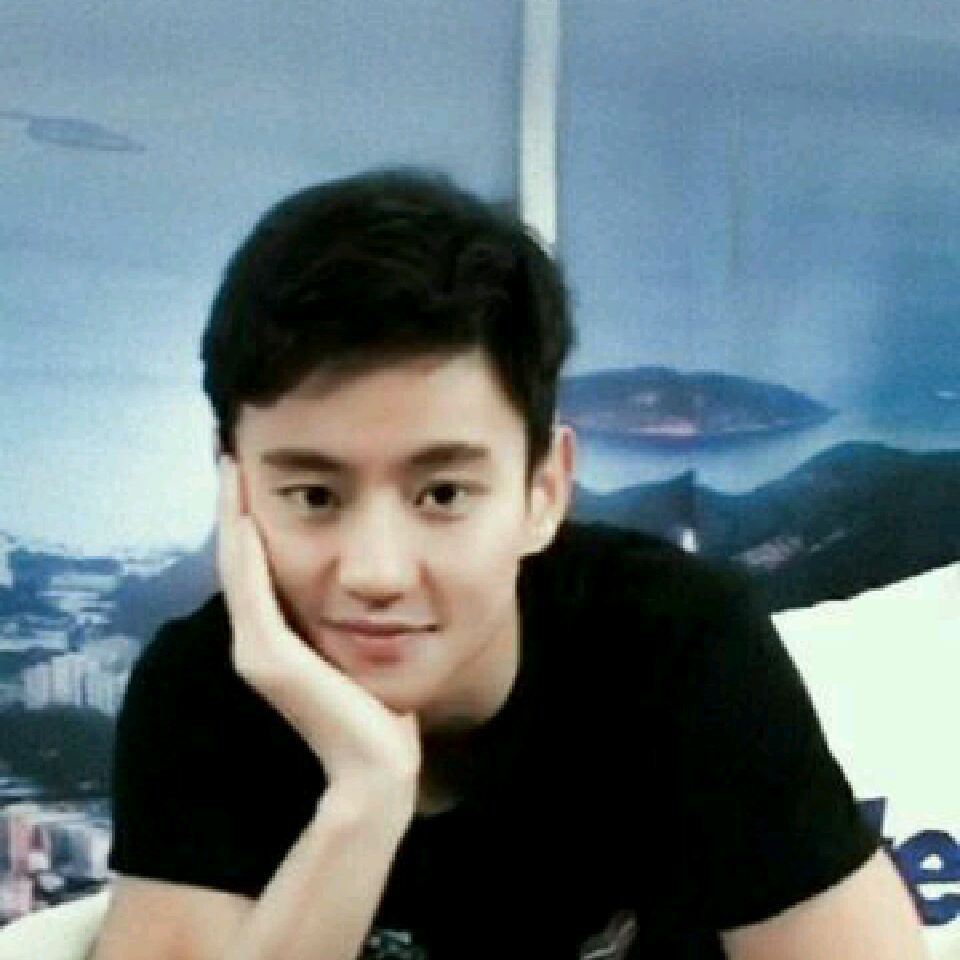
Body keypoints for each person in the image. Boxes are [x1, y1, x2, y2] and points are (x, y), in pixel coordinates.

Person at [93, 169, 929, 960]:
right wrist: (364, 800)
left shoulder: (673, 645)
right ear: (234, 487)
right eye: (313, 496)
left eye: (443, 494)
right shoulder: (202, 691)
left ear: (543, 491)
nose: (376, 573)